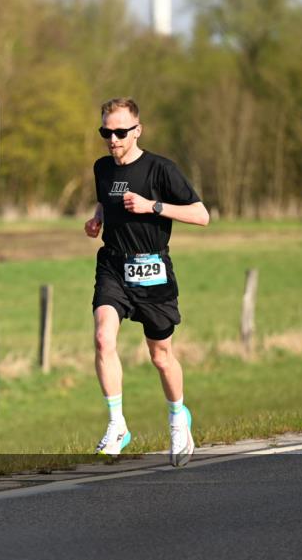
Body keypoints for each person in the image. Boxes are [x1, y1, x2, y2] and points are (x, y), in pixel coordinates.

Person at [84, 97, 209, 467]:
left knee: (161, 356)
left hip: (153, 270)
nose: (113, 138)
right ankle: (117, 424)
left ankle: (177, 418)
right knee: (103, 337)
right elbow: (106, 201)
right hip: (113, 266)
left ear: (137, 130)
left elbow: (202, 216)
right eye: (106, 131)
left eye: (120, 132)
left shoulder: (161, 170)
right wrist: (97, 219)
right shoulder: (102, 168)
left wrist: (153, 206)